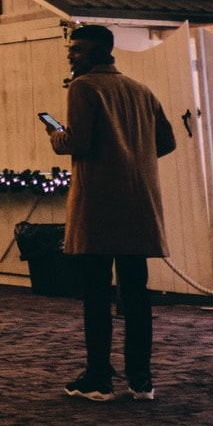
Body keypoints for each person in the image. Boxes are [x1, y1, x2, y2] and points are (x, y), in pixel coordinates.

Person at [46, 23, 177, 403]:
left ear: (99, 52)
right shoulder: (140, 90)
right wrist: (133, 154)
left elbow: (79, 142)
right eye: (71, 49)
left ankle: (99, 378)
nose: (72, 55)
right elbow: (166, 141)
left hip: (99, 204)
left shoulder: (83, 87)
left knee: (96, 296)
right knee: (136, 295)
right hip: (139, 203)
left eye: (78, 49)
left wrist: (55, 134)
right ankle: (141, 379)